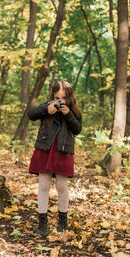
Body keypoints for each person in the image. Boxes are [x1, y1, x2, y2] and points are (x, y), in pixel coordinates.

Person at [28, 80, 82, 237]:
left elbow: (77, 129)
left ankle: (62, 221)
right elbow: (31, 114)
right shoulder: (48, 106)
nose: (60, 101)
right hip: (45, 148)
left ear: (69, 98)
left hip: (63, 151)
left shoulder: (73, 110)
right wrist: (46, 108)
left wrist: (68, 114)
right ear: (52, 95)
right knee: (43, 184)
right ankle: (42, 222)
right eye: (57, 97)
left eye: (63, 98)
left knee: (61, 185)